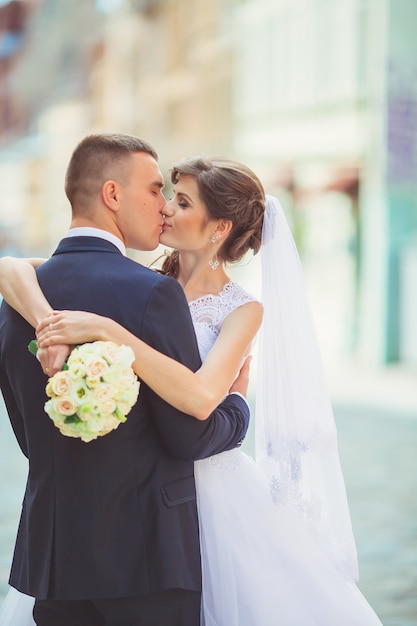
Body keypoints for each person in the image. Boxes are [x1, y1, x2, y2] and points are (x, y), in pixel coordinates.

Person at [0, 155, 384, 625]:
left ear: (218, 228)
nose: (164, 208)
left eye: (180, 201)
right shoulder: (140, 283)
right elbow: (11, 269)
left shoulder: (242, 310)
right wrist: (48, 322)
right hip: (130, 494)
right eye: (165, 195)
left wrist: (110, 332)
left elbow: (203, 398)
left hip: (208, 491)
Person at [0, 136, 252, 626]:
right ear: (113, 195)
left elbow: (29, 433)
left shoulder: (19, 298)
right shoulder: (154, 294)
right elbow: (189, 436)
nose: (163, 207)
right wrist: (238, 405)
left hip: (54, 558)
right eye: (156, 190)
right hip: (147, 559)